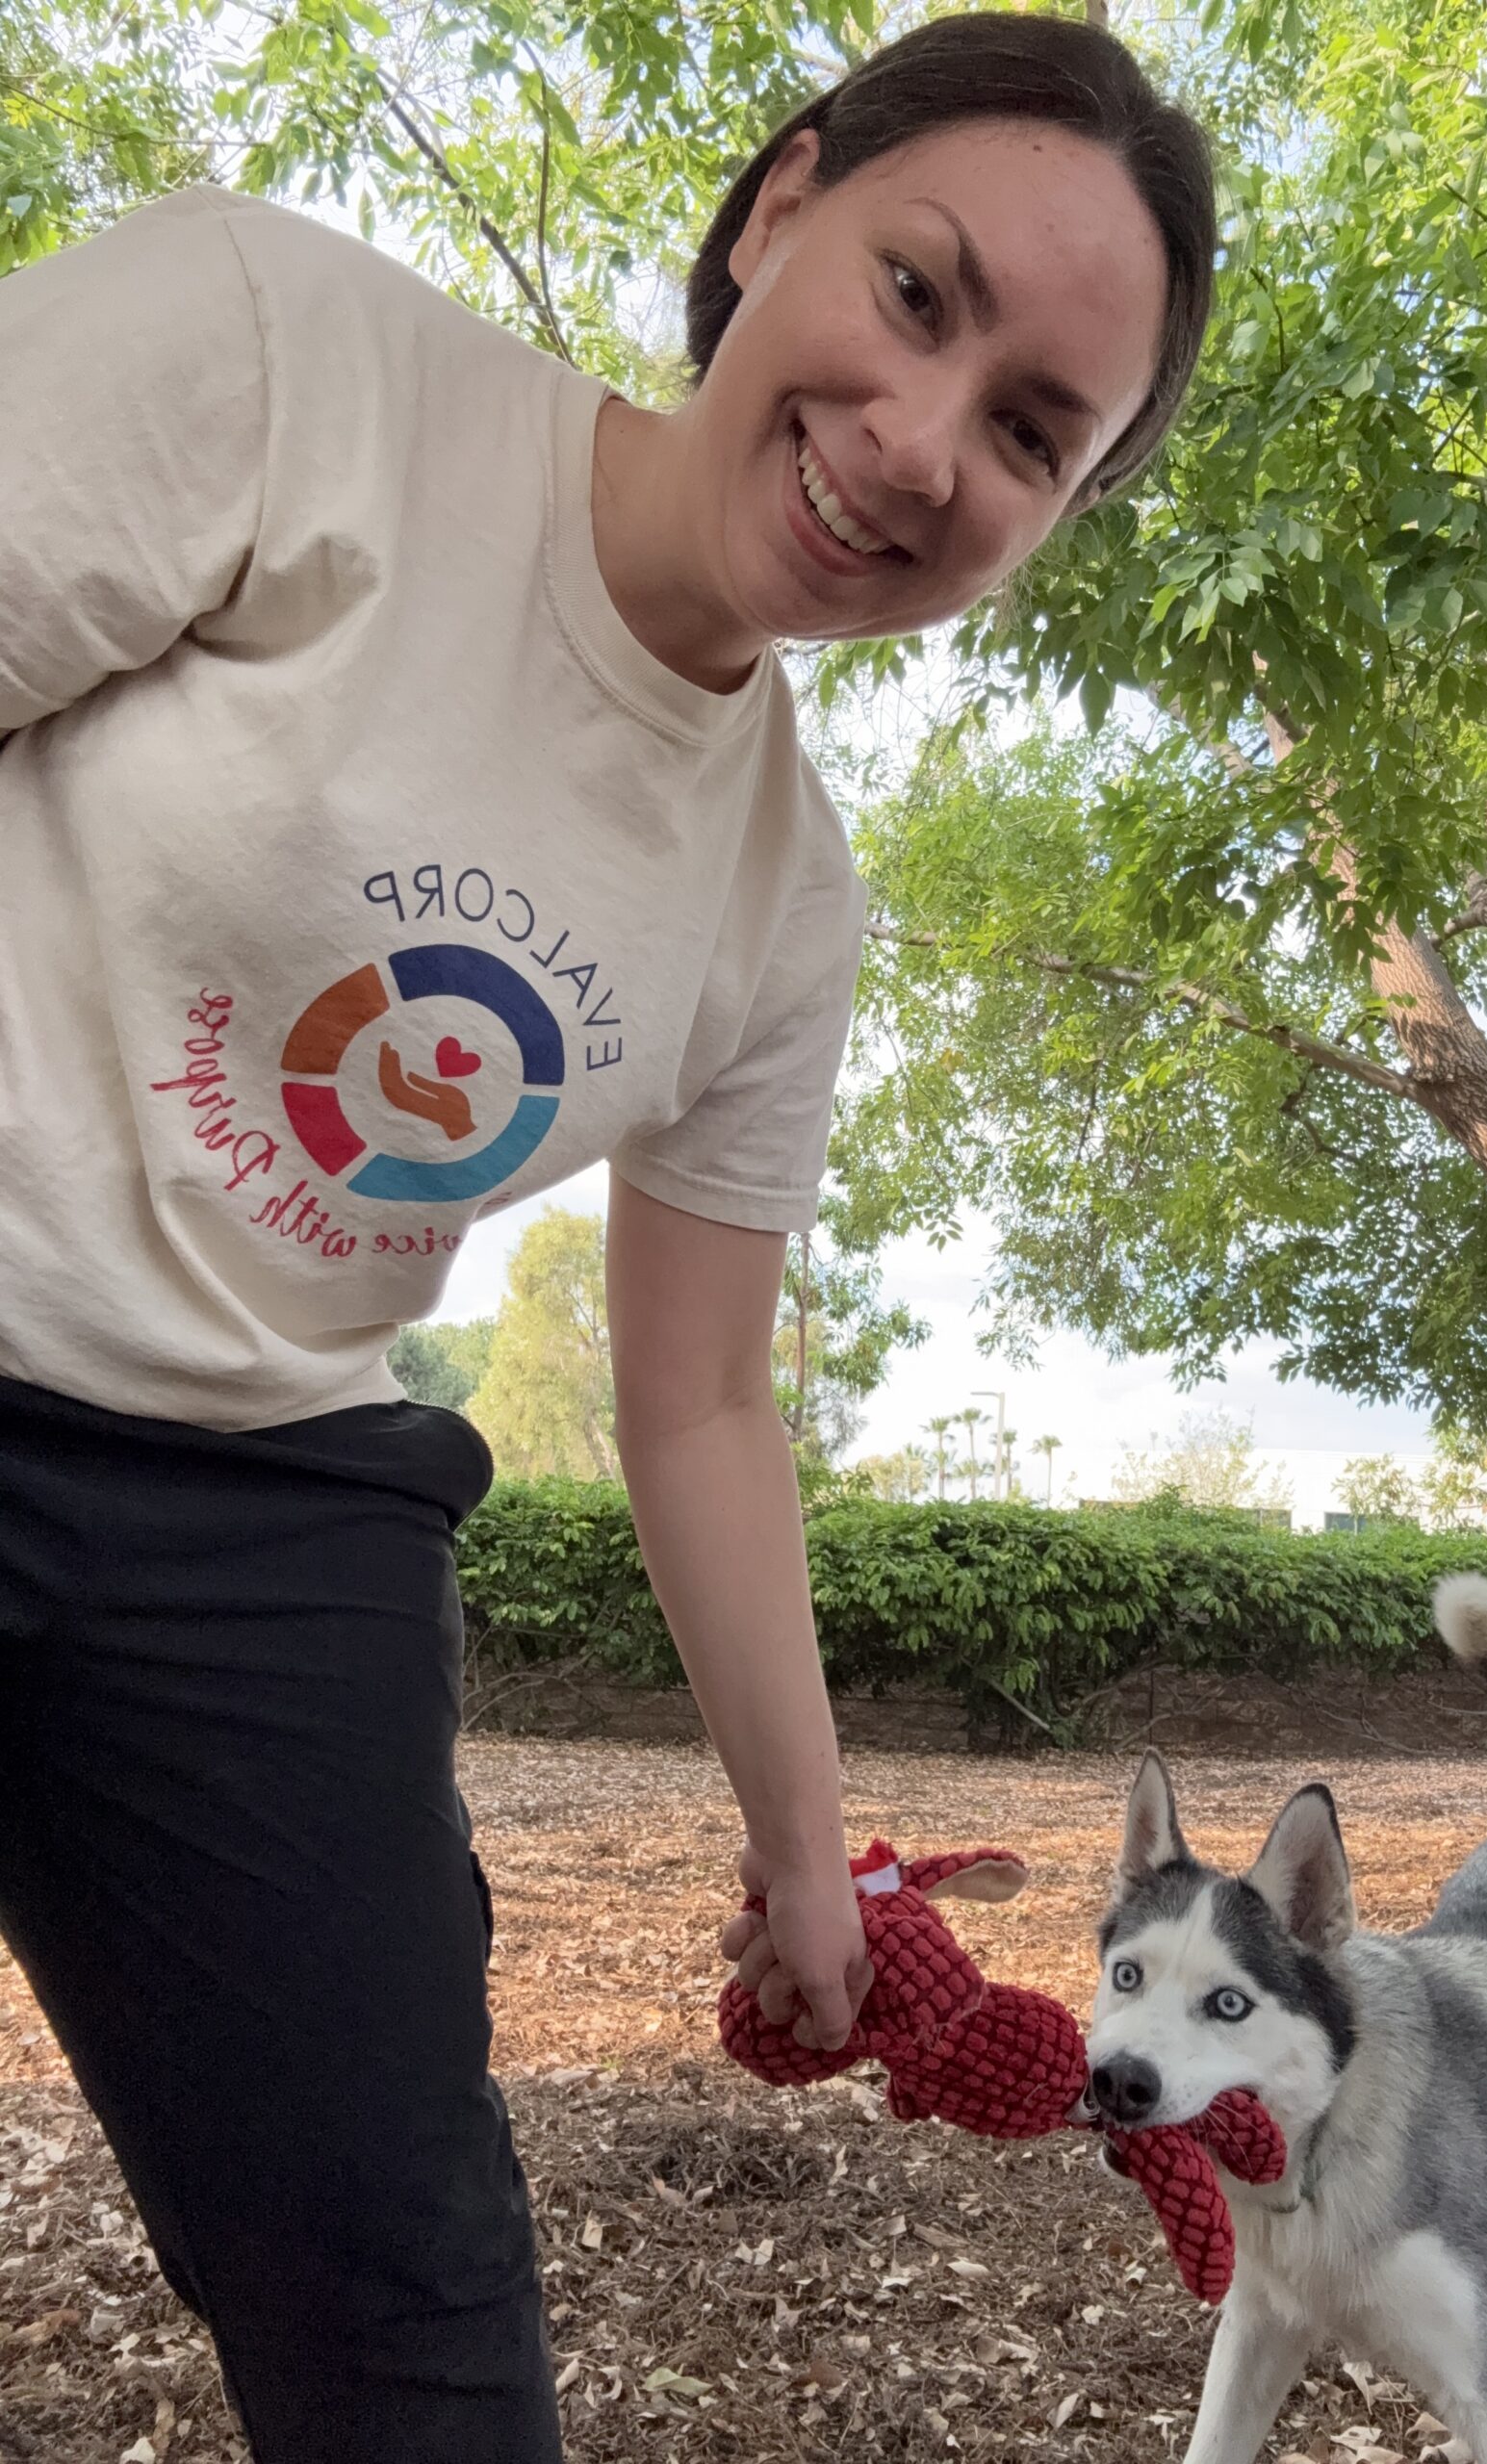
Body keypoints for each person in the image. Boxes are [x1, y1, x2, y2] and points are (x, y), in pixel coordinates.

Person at [0, 13, 1213, 2458]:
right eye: (918, 291)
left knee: (418, 2342)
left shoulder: (781, 901)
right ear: (779, 210)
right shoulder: (286, 355)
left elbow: (700, 1397)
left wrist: (811, 1869)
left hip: (258, 1506)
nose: (914, 440)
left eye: (1027, 433)